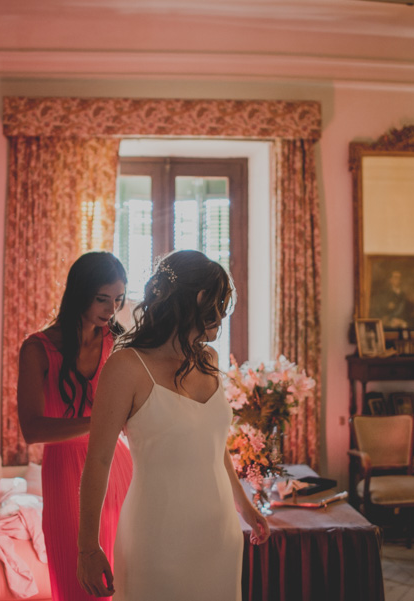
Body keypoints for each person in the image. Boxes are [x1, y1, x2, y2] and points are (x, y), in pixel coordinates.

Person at [77, 250, 270, 600]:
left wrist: (244, 505)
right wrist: (87, 548)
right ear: (193, 301)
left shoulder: (208, 359)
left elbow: (212, 445)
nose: (223, 315)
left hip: (220, 534)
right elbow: (98, 461)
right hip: (158, 540)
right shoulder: (126, 367)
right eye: (218, 304)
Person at [17, 251, 133, 601]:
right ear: (79, 292)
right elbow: (32, 430)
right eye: (102, 299)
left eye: (118, 299)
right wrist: (100, 423)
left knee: (123, 581)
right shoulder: (37, 349)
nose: (111, 309)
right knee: (78, 585)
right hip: (64, 475)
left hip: (117, 468)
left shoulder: (119, 342)